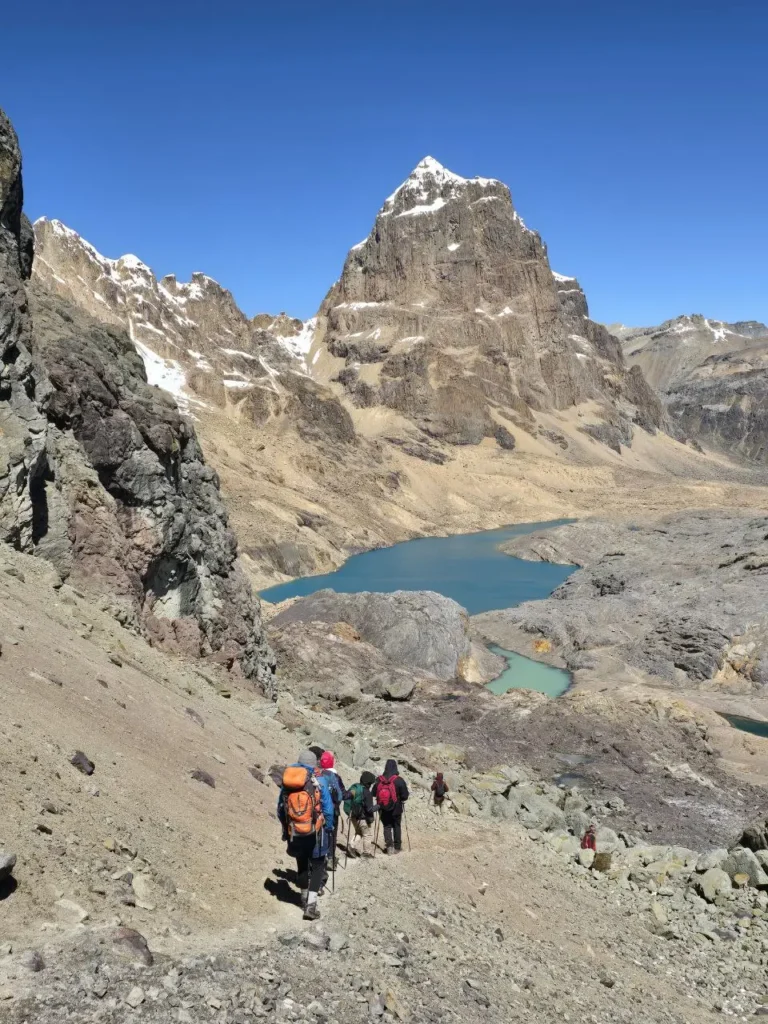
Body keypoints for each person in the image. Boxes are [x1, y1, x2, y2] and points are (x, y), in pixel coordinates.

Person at [277, 749, 334, 920]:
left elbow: (280, 809)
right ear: (313, 763)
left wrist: (285, 829)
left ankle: (302, 897)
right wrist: (329, 827)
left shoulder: (288, 782)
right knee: (317, 867)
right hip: (316, 832)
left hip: (295, 831)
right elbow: (328, 810)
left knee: (301, 865)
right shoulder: (319, 781)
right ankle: (311, 904)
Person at [315, 751, 346, 869]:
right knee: (331, 834)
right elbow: (339, 796)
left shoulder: (317, 774)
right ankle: (330, 859)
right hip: (332, 811)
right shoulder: (335, 777)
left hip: (317, 810)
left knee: (319, 834)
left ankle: (319, 859)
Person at [375, 759, 409, 854]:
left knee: (387, 826)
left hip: (382, 808)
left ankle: (389, 847)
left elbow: (373, 793)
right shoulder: (399, 780)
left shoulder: (379, 780)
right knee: (396, 826)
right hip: (396, 808)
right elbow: (405, 796)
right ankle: (397, 847)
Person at [345, 770, 375, 857]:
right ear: (368, 783)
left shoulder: (356, 788)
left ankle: (351, 846)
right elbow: (369, 809)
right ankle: (366, 853)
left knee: (359, 832)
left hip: (353, 816)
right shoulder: (367, 792)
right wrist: (379, 806)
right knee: (367, 835)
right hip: (363, 818)